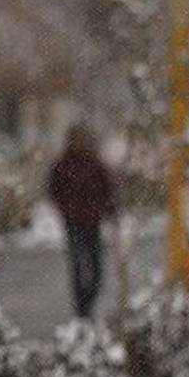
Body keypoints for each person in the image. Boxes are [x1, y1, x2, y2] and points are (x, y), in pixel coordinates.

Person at [48, 124, 116, 319]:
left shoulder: (94, 164)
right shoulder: (62, 165)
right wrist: (66, 209)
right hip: (73, 222)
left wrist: (108, 211)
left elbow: (107, 190)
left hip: (93, 222)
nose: (78, 143)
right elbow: (54, 190)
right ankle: (81, 310)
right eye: (75, 140)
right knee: (78, 264)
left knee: (96, 269)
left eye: (81, 140)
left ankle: (88, 304)